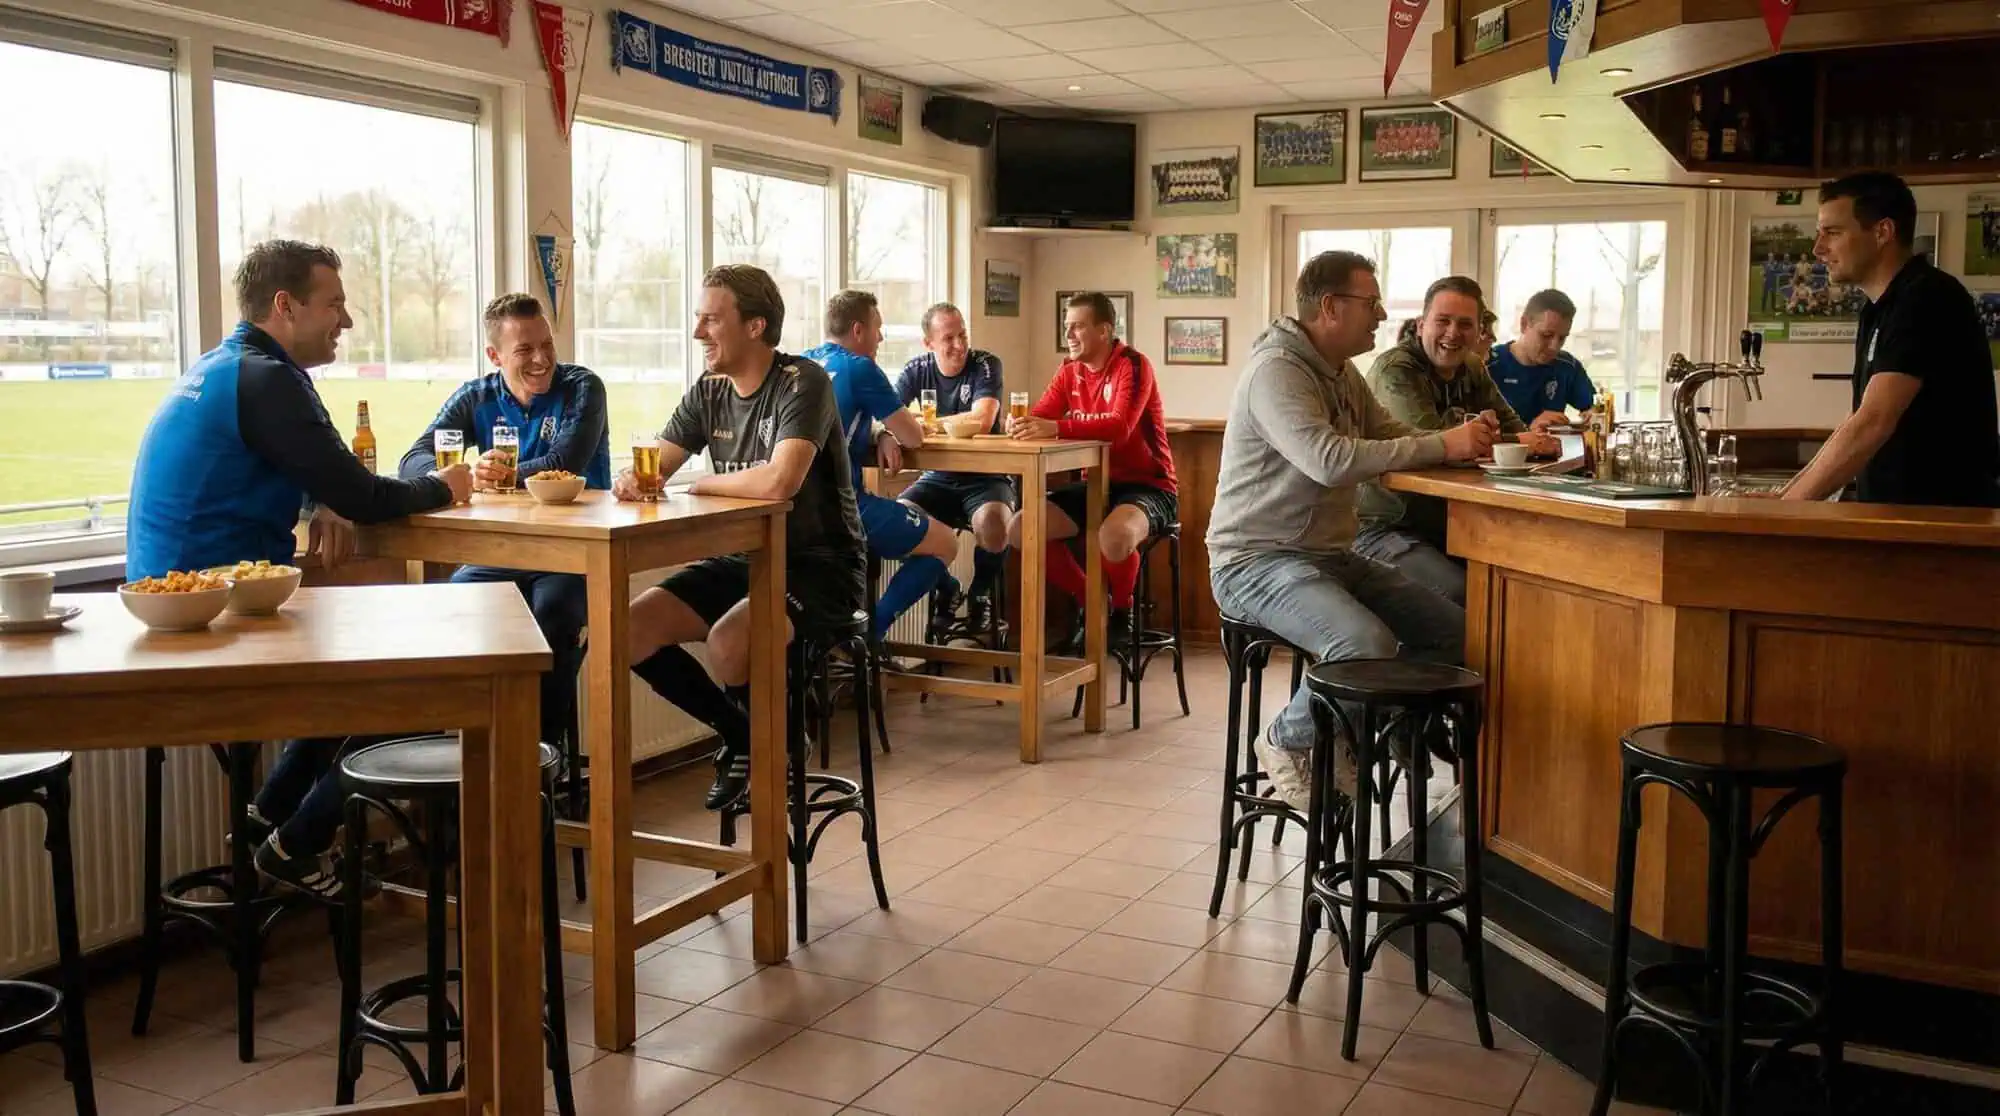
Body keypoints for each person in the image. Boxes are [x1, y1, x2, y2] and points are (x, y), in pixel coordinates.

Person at [127, 239, 473, 899]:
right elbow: (369, 497)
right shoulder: (270, 379)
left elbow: (317, 477)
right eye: (334, 304)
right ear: (285, 306)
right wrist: (446, 487)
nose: (345, 321)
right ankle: (297, 842)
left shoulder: (224, 367)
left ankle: (268, 818)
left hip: (174, 610)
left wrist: (322, 502)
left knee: (369, 661)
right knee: (421, 683)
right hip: (211, 620)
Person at [1208, 250, 1491, 812]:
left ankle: (1368, 731)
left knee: (1459, 633)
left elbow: (1389, 433)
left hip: (1327, 555)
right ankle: (1288, 741)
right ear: (1331, 307)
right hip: (1254, 561)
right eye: (1372, 302)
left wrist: (1465, 446)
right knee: (1362, 644)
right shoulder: (1277, 372)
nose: (1383, 314)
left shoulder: (1342, 371)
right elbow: (1329, 460)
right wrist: (1443, 444)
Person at [618, 265, 866, 809]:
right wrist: (633, 479)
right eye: (698, 318)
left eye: (711, 318)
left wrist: (698, 482)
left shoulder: (804, 382)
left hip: (821, 568)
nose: (698, 332)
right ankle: (749, 737)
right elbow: (655, 465)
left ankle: (761, 745)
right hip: (744, 561)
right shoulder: (708, 390)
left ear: (755, 326)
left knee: (729, 643)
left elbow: (781, 481)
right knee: (626, 630)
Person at [396, 292, 610, 752]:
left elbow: (566, 461)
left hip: (577, 554)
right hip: (503, 555)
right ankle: (470, 759)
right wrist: (459, 476)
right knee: (449, 611)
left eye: (547, 345)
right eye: (525, 350)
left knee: (552, 612)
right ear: (494, 357)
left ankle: (538, 767)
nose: (542, 359)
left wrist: (502, 478)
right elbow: (411, 460)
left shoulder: (583, 388)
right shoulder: (476, 397)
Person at [1782, 172, 2000, 506]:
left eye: (1833, 233)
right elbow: (1860, 420)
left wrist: (1785, 509)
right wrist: (1784, 497)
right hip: (1901, 524)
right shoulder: (1879, 308)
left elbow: (1874, 421)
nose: (1818, 249)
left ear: (1883, 232)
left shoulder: (1926, 296)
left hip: (1944, 529)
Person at [1358, 276, 1560, 605]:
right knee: (1466, 592)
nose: (1453, 333)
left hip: (1453, 522)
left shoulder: (1471, 366)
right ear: (1422, 324)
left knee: (1528, 575)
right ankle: (1416, 656)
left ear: (1479, 331)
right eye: (1443, 321)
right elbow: (1430, 444)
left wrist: (1520, 438)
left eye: (1465, 324)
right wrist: (1513, 440)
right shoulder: (1396, 370)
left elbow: (1513, 426)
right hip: (1384, 525)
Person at [1006, 291, 1177, 647]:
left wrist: (1057, 427)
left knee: (1113, 536)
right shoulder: (1069, 371)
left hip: (1150, 486)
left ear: (1104, 330)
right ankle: (1092, 600)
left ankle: (1120, 612)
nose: (1069, 335)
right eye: (1067, 327)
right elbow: (1041, 416)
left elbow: (1119, 427)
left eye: (1078, 327)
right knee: (1022, 528)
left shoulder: (1134, 364)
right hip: (1096, 484)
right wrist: (1020, 425)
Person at [800, 290, 961, 640]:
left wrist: (876, 434)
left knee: (914, 535)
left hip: (795, 517)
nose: (881, 338)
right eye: (878, 328)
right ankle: (870, 632)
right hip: (843, 512)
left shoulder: (800, 363)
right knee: (946, 543)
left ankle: (940, 590)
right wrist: (889, 432)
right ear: (858, 330)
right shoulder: (860, 368)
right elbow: (914, 437)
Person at [896, 302, 1014, 632]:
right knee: (896, 523)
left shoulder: (986, 364)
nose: (960, 345)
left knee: (994, 523)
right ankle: (948, 587)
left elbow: (983, 418)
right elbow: (889, 418)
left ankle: (980, 595)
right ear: (928, 343)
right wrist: (912, 425)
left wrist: (925, 423)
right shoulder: (914, 369)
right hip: (937, 478)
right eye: (949, 338)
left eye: (963, 334)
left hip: (987, 477)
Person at [1488, 289, 1599, 431]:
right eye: (1546, 335)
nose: (1554, 347)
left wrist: (1593, 415)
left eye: (1562, 338)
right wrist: (1529, 431)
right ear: (1524, 324)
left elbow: (1595, 407)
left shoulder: (1567, 366)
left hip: (1554, 451)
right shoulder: (1489, 365)